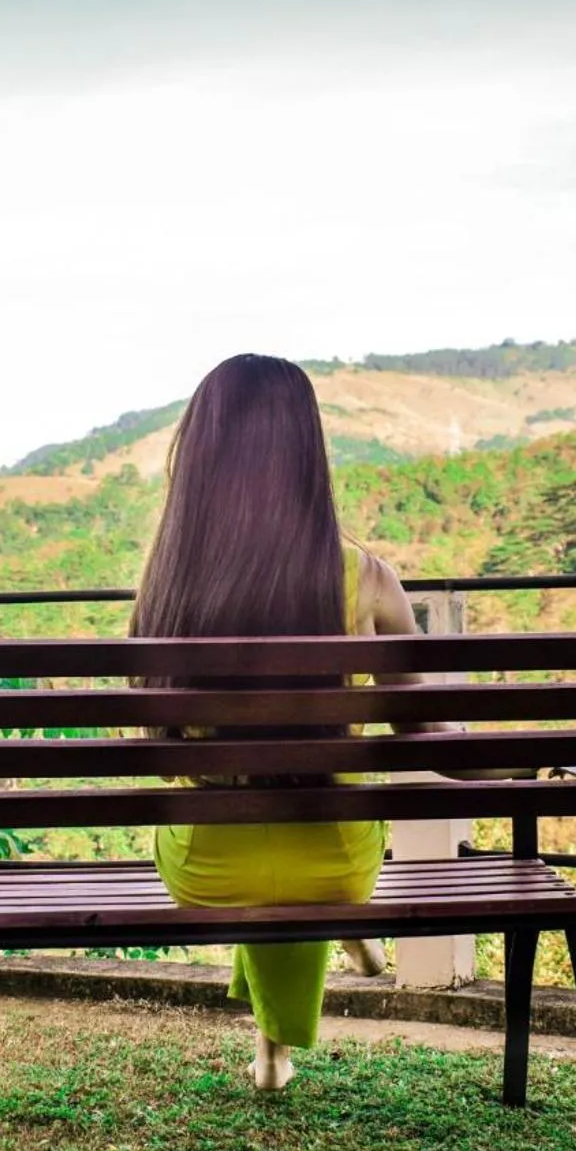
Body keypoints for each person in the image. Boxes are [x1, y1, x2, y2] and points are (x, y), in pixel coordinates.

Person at [132, 353, 433, 1091]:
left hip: (206, 868)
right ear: (308, 452)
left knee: (249, 831)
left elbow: (154, 735)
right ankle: (336, 938)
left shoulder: (167, 587)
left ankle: (273, 1051)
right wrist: (526, 770)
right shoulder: (365, 576)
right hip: (337, 860)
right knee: (306, 833)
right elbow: (424, 727)